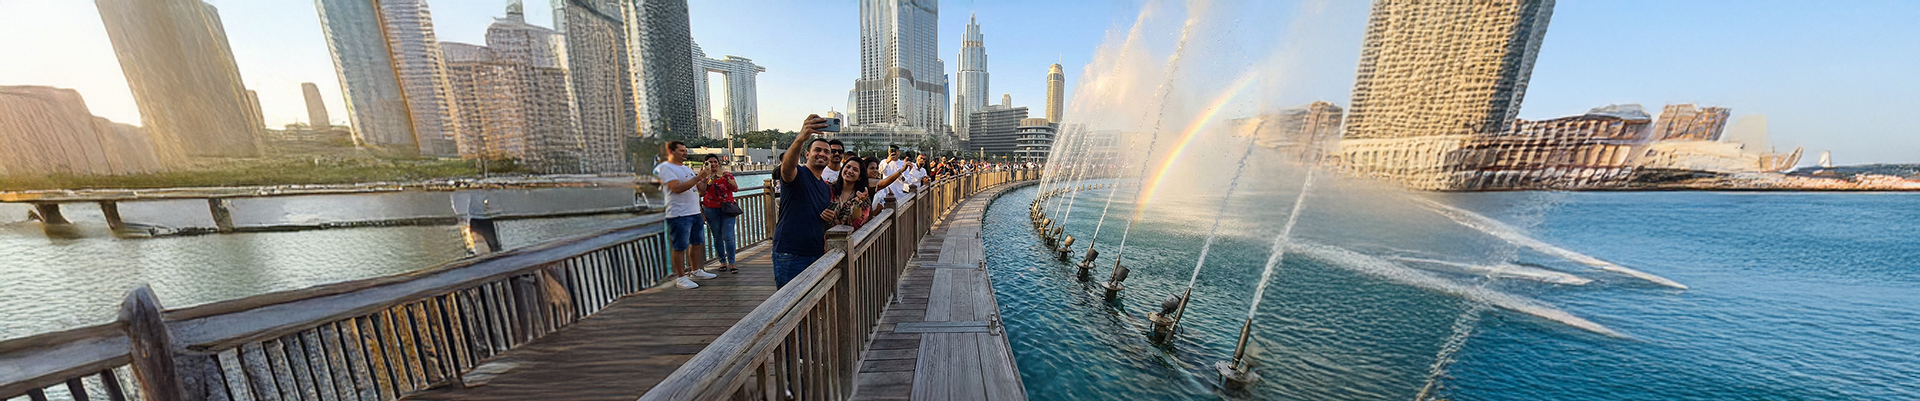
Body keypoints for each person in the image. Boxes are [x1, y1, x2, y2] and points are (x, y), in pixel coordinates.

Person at [770, 115, 838, 288]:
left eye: (826, 152)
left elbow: (817, 216)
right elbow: (787, 167)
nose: (822, 154)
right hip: (791, 253)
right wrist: (802, 137)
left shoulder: (824, 187)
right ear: (807, 154)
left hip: (815, 252)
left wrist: (828, 217)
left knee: (812, 302)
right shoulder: (797, 174)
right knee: (789, 305)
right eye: (817, 150)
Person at [656, 141, 719, 289]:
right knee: (680, 246)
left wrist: (705, 178)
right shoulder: (665, 168)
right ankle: (681, 277)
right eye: (681, 150)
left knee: (697, 243)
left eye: (685, 150)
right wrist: (698, 178)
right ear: (671, 152)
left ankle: (695, 270)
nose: (685, 153)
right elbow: (676, 188)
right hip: (678, 214)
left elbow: (701, 190)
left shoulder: (686, 168)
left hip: (694, 212)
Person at [700, 154, 740, 274]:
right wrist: (707, 178)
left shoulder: (726, 174)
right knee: (717, 236)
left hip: (727, 208)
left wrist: (729, 179)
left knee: (728, 236)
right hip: (711, 209)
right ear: (705, 164)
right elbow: (701, 192)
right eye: (709, 162)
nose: (713, 164)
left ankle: (732, 263)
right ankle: (722, 261)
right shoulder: (703, 177)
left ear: (719, 163)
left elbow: (735, 188)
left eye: (715, 162)